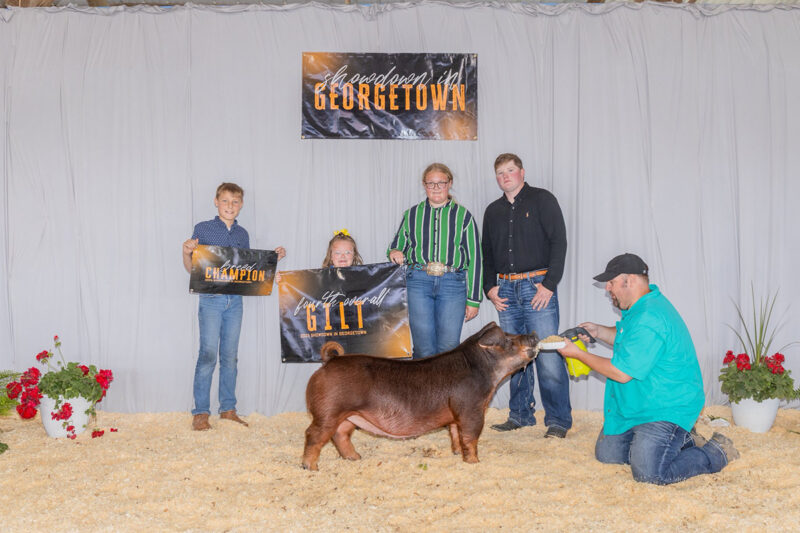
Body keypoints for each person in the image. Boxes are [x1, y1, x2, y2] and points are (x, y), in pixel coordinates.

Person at [557, 253, 739, 485]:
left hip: (666, 406)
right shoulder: (642, 307)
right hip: (640, 404)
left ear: (629, 280)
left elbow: (621, 373)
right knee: (608, 456)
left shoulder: (650, 317)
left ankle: (716, 452)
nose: (608, 289)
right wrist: (599, 331)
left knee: (650, 474)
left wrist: (579, 354)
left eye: (611, 283)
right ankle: (682, 440)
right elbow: (629, 339)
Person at [182, 182, 286, 431]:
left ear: (241, 205)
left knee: (230, 356)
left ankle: (228, 409)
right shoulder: (203, 229)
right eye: (225, 201)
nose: (230, 206)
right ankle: (201, 412)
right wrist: (186, 253)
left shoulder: (243, 235)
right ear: (216, 202)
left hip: (235, 301)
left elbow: (246, 270)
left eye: (235, 201)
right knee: (207, 355)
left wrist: (271, 262)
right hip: (211, 300)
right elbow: (193, 269)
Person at [482, 153, 571, 437]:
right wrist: (489, 288)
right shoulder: (492, 211)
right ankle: (520, 415)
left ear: (521, 172)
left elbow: (559, 242)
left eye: (510, 170)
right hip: (505, 289)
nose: (505, 176)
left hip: (536, 288)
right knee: (512, 355)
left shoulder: (543, 200)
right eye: (500, 173)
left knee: (546, 352)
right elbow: (487, 254)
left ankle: (558, 420)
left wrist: (549, 284)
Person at [388, 163, 482, 358]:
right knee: (423, 349)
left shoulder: (463, 216)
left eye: (441, 183)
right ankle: (423, 389)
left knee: (449, 348)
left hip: (452, 284)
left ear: (450, 184)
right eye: (431, 183)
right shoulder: (411, 214)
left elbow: (475, 258)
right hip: (418, 282)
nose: (436, 187)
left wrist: (473, 299)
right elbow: (396, 245)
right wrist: (394, 251)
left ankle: (446, 390)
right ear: (424, 185)